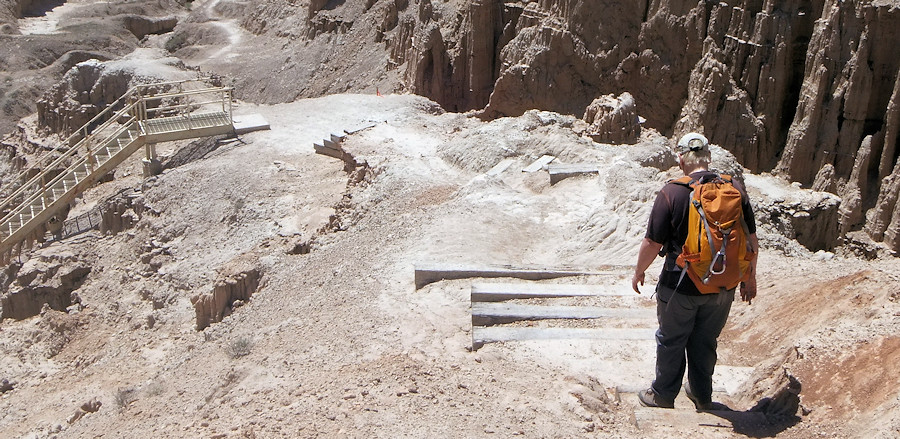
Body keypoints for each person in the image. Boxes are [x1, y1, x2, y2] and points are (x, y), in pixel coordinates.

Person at [631, 132, 758, 411]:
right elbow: (751, 240)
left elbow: (652, 241)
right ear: (708, 157)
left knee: (672, 340)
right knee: (705, 341)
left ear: (681, 158)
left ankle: (663, 395)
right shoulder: (733, 187)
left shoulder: (672, 191)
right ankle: (702, 395)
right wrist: (750, 278)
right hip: (722, 286)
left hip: (680, 285)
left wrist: (639, 271)